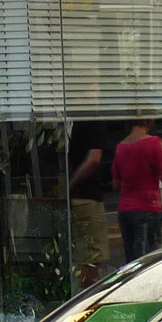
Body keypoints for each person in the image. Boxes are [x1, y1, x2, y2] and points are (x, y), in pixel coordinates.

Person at [110, 113, 162, 263]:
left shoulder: (120, 147)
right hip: (148, 207)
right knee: (147, 260)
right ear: (150, 120)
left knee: (131, 261)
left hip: (125, 210)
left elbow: (116, 184)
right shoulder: (154, 143)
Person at [66, 116, 109, 282]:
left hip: (75, 197)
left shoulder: (72, 120)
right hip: (86, 196)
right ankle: (88, 299)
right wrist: (70, 185)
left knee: (82, 257)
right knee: (91, 259)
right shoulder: (92, 119)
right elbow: (94, 159)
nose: (97, 92)